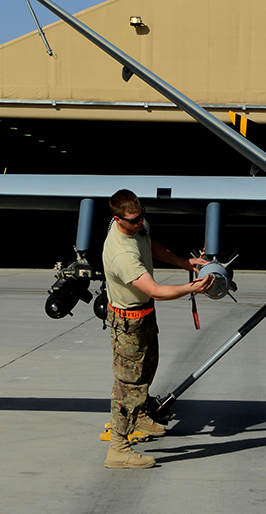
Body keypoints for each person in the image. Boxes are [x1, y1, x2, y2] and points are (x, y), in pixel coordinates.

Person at [102, 189, 214, 469]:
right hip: (128, 322)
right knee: (128, 386)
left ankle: (139, 416)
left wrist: (183, 262)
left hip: (143, 315)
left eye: (142, 216)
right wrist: (192, 288)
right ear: (118, 220)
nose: (140, 223)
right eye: (133, 220)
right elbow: (156, 290)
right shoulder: (122, 256)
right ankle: (118, 449)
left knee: (148, 368)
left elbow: (150, 244)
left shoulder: (138, 226)